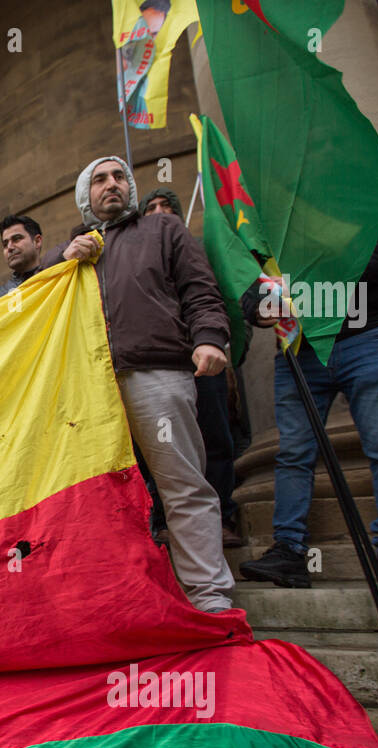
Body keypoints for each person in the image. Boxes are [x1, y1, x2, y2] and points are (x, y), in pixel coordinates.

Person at [43, 156, 235, 612]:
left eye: (119, 178)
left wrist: (209, 338)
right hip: (87, 390)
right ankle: (118, 600)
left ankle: (210, 597)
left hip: (157, 375)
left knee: (183, 486)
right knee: (95, 498)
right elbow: (31, 303)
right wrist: (63, 262)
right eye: (99, 179)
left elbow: (200, 291)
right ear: (83, 194)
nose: (112, 185)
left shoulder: (164, 231)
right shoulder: (63, 253)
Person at [238, 167, 378, 591]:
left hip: (368, 337)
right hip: (301, 351)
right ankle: (288, 550)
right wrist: (258, 308)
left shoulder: (361, 210)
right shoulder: (274, 228)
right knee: (293, 453)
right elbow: (253, 284)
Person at [138, 187, 243, 547]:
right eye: (150, 208)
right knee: (162, 449)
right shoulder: (136, 259)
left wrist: (213, 340)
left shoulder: (195, 249)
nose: (158, 212)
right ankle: (165, 521)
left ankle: (223, 517)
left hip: (201, 358)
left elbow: (212, 296)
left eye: (166, 206)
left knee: (214, 437)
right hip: (161, 364)